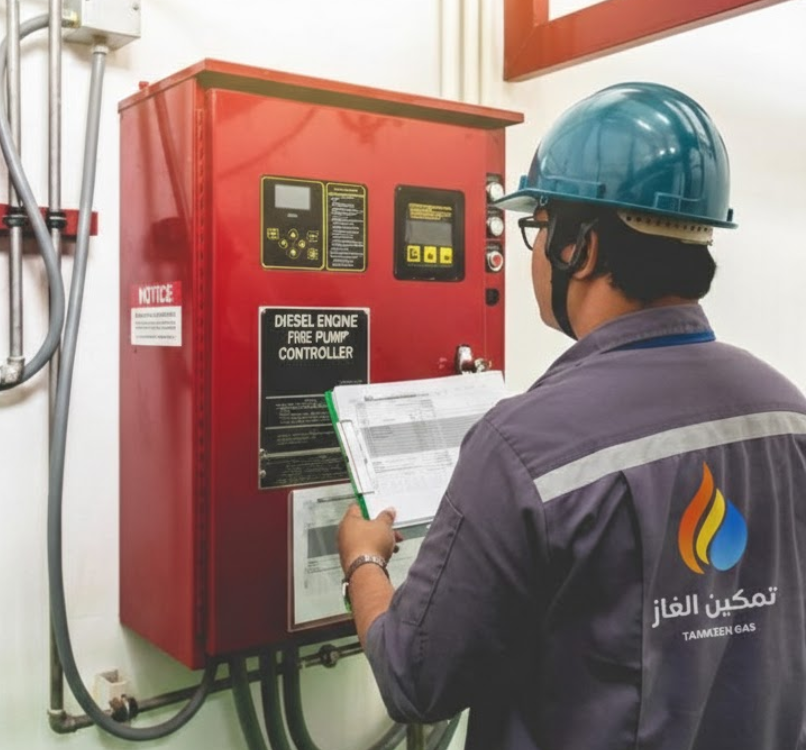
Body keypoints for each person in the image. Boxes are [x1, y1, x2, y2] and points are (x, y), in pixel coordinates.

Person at [337, 82, 806, 750]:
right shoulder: (789, 414)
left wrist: (363, 561)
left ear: (577, 249)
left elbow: (416, 681)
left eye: (539, 227)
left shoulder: (523, 446)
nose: (533, 252)